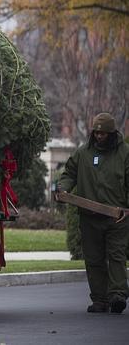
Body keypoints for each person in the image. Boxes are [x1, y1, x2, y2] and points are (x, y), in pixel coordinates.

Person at [57, 112, 129, 314]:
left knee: (116, 255)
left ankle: (117, 295)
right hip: (89, 217)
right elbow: (69, 174)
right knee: (94, 258)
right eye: (96, 133)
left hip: (117, 216)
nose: (99, 137)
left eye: (103, 134)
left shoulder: (124, 153)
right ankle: (99, 299)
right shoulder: (83, 153)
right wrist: (62, 189)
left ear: (112, 133)